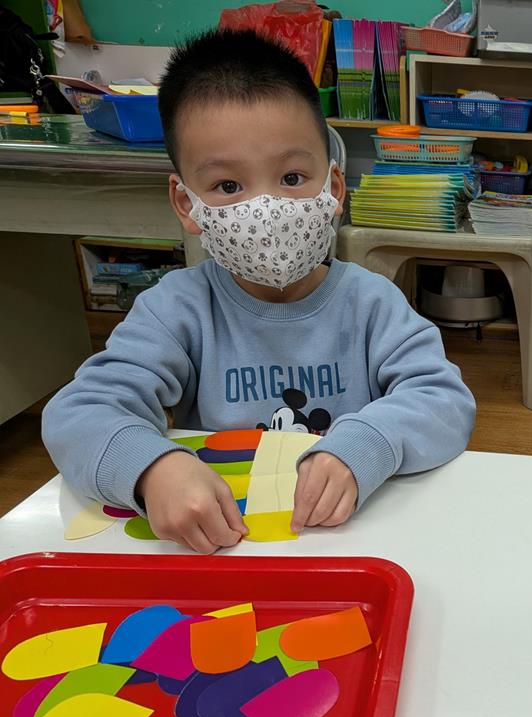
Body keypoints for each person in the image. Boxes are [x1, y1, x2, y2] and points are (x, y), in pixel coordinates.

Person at [43, 29, 476, 553]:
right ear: (186, 204)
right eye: (228, 186)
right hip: (225, 546)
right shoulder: (175, 310)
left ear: (334, 188)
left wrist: (369, 443)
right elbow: (80, 412)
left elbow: (444, 400)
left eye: (292, 177)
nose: (267, 209)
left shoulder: (372, 302)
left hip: (347, 543)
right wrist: (152, 468)